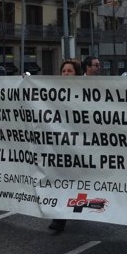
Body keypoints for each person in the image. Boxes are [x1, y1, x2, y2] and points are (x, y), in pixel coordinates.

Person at [49, 60, 82, 233]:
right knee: (61, 181)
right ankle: (59, 217)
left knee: (79, 182)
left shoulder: (86, 91)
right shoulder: (53, 90)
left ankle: (80, 209)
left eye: (70, 71)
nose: (66, 74)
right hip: (62, 145)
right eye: (63, 71)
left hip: (81, 146)